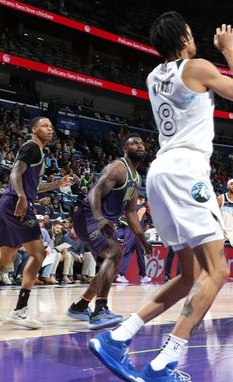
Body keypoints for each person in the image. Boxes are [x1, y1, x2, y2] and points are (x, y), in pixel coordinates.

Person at [88, 14, 233, 381]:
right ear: (183, 37)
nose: (195, 39)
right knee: (218, 271)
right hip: (187, 172)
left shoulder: (152, 76)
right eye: (191, 34)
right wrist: (229, 52)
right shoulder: (197, 67)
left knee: (188, 274)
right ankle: (164, 363)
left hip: (160, 174)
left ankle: (117, 337)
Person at [0, 117, 72, 328]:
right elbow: (15, 172)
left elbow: (35, 186)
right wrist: (23, 197)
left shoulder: (38, 152)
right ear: (34, 129)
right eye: (44, 125)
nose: (49, 129)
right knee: (39, 253)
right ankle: (20, 310)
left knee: (5, 259)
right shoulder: (31, 146)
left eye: (51, 127)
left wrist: (56, 184)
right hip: (17, 204)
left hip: (8, 204)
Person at [69, 135, 150, 330]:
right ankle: (99, 311)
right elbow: (95, 192)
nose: (139, 145)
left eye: (141, 143)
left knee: (109, 262)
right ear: (125, 148)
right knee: (114, 253)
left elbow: (130, 212)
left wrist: (142, 240)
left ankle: (80, 306)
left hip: (103, 221)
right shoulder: (117, 168)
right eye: (134, 143)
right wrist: (99, 218)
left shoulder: (136, 177)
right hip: (89, 216)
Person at [115, 194, 151, 284]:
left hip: (129, 230)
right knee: (132, 253)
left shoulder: (129, 207)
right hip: (135, 231)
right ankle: (122, 275)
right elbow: (137, 220)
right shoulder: (142, 207)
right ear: (142, 199)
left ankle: (142, 275)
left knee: (136, 253)